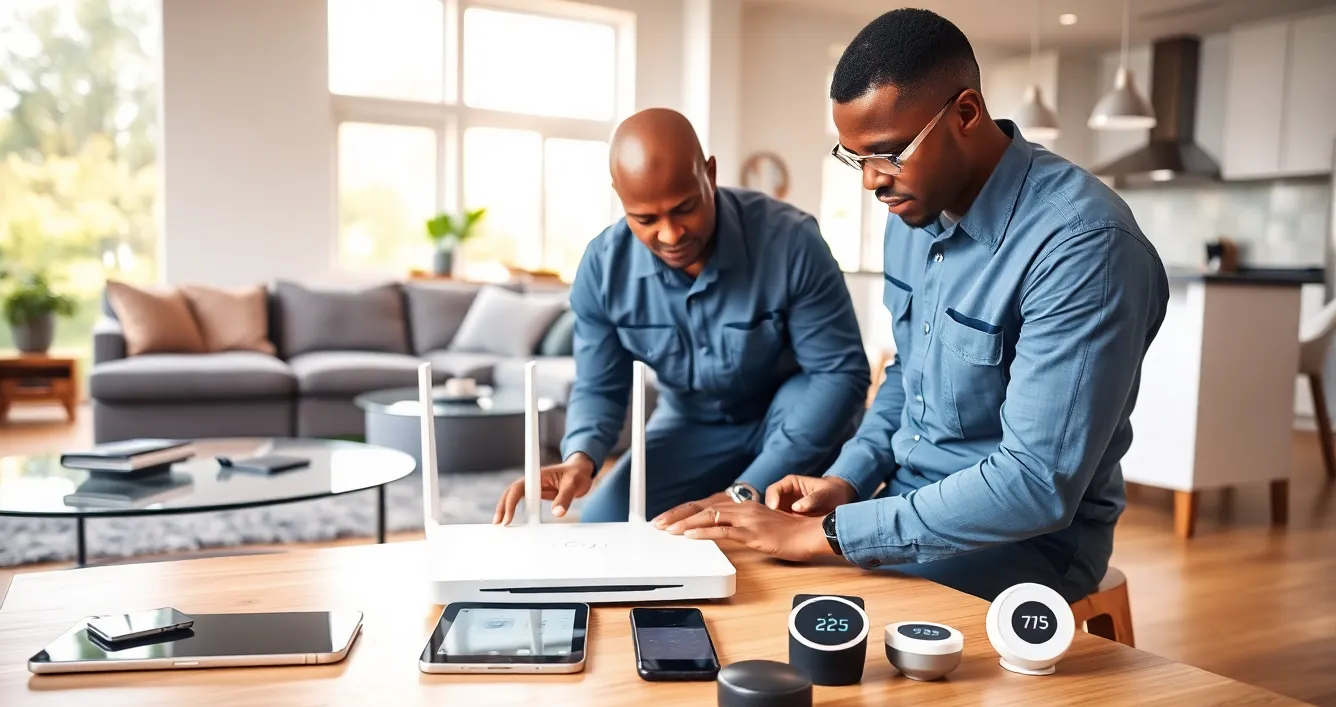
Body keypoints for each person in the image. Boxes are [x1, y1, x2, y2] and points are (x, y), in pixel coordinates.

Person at [653, 9, 1169, 603]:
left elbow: (1034, 486)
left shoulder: (1084, 245)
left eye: (889, 153)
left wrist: (829, 536)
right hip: (904, 501)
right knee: (747, 579)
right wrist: (847, 480)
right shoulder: (911, 214)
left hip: (1029, 542)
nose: (872, 181)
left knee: (809, 606)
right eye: (856, 159)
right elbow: (906, 376)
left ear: (966, 115)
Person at [494, 108, 870, 525]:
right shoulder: (602, 269)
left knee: (770, 533)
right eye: (646, 219)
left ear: (709, 175)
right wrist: (581, 458)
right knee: (607, 519)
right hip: (692, 422)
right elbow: (600, 385)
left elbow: (839, 374)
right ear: (620, 196)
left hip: (796, 416)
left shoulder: (792, 241)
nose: (671, 235)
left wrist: (745, 491)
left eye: (685, 208)